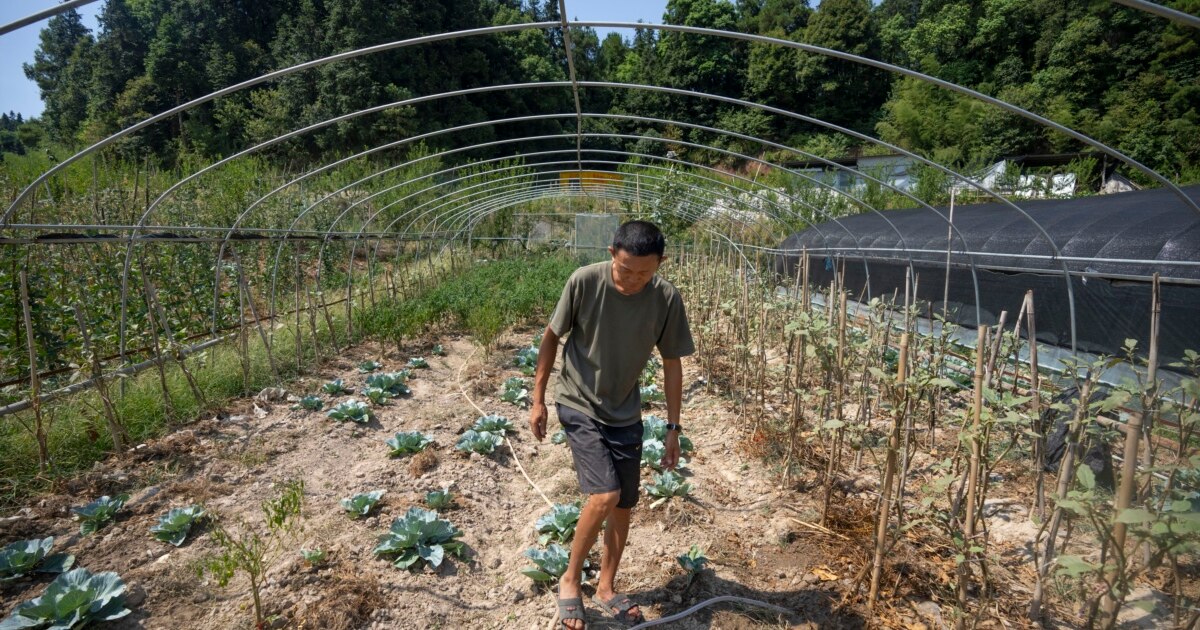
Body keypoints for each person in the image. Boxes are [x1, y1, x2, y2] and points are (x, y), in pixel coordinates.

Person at [528, 220, 695, 629]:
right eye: (625, 269)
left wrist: (673, 428)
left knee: (623, 505)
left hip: (625, 411)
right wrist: (537, 399)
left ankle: (606, 586)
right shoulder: (584, 281)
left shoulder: (666, 299)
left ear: (661, 264)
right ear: (611, 253)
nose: (633, 280)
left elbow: (672, 363)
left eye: (644, 273)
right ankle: (570, 579)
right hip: (577, 400)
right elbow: (552, 336)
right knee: (604, 494)